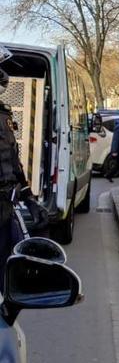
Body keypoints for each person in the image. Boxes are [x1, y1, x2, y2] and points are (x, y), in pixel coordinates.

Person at [0, 51, 50, 277]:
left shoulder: (3, 113)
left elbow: (11, 159)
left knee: (16, 278)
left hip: (6, 208)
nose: (4, 77)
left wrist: (29, 198)